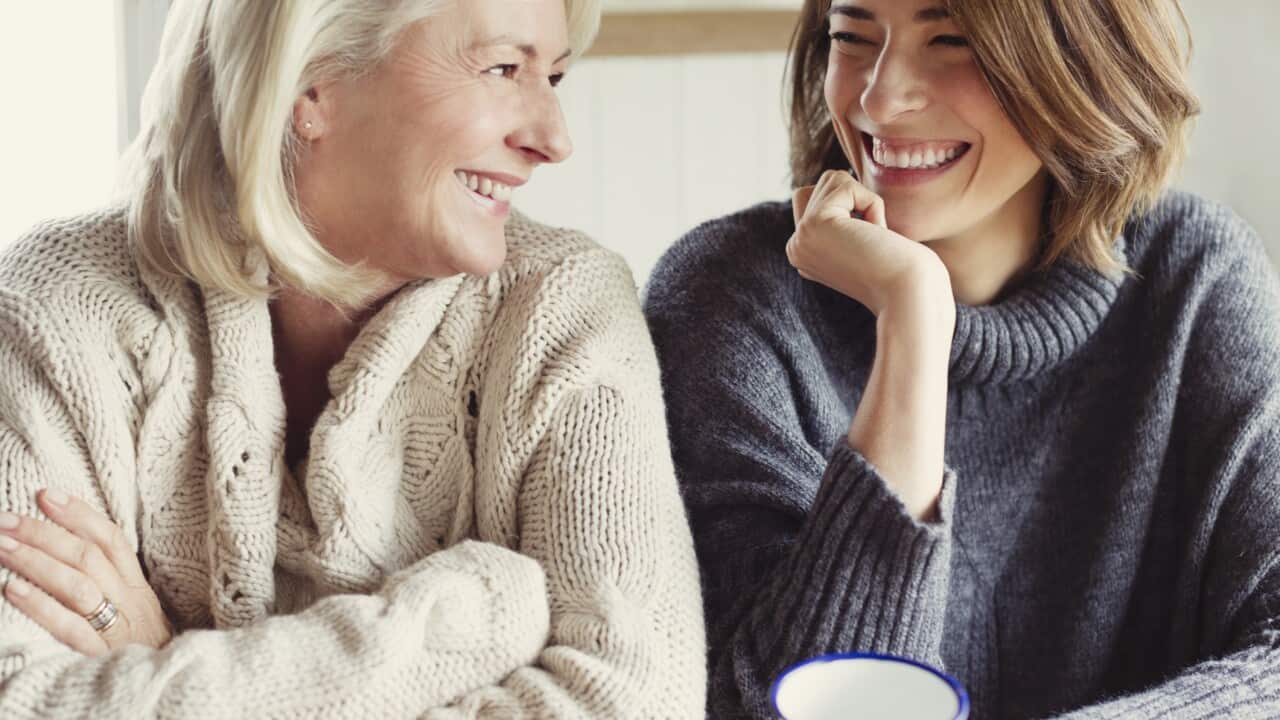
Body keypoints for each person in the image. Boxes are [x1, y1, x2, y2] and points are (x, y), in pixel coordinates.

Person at [0, 1, 705, 717]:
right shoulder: (59, 304)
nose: (553, 138)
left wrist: (161, 660)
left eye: (554, 76)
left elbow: (637, 703)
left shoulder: (563, 306)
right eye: (502, 68)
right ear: (314, 81)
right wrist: (462, 626)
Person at [644, 0, 1280, 717]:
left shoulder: (1196, 278)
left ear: (1082, 59)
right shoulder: (727, 295)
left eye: (952, 40)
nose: (880, 98)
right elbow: (776, 706)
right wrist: (911, 320)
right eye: (852, 37)